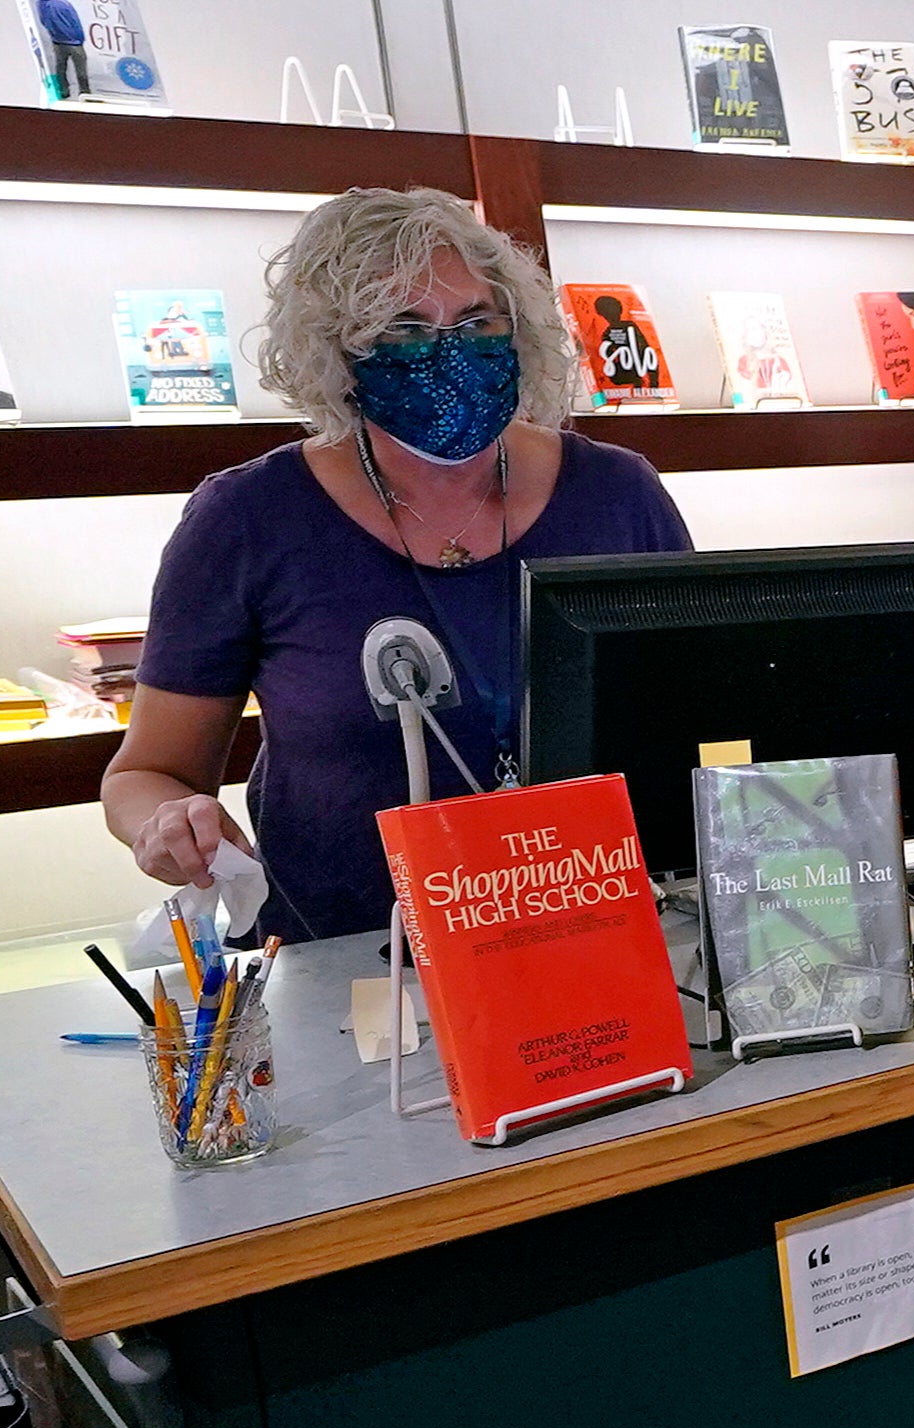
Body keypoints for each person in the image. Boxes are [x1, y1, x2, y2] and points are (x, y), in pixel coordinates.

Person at [107, 187, 691, 941]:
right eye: (404, 331)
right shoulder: (248, 520)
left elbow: (700, 728)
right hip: (343, 964)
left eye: (477, 322)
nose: (447, 353)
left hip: (593, 943)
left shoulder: (618, 494)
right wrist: (168, 821)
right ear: (337, 354)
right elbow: (143, 772)